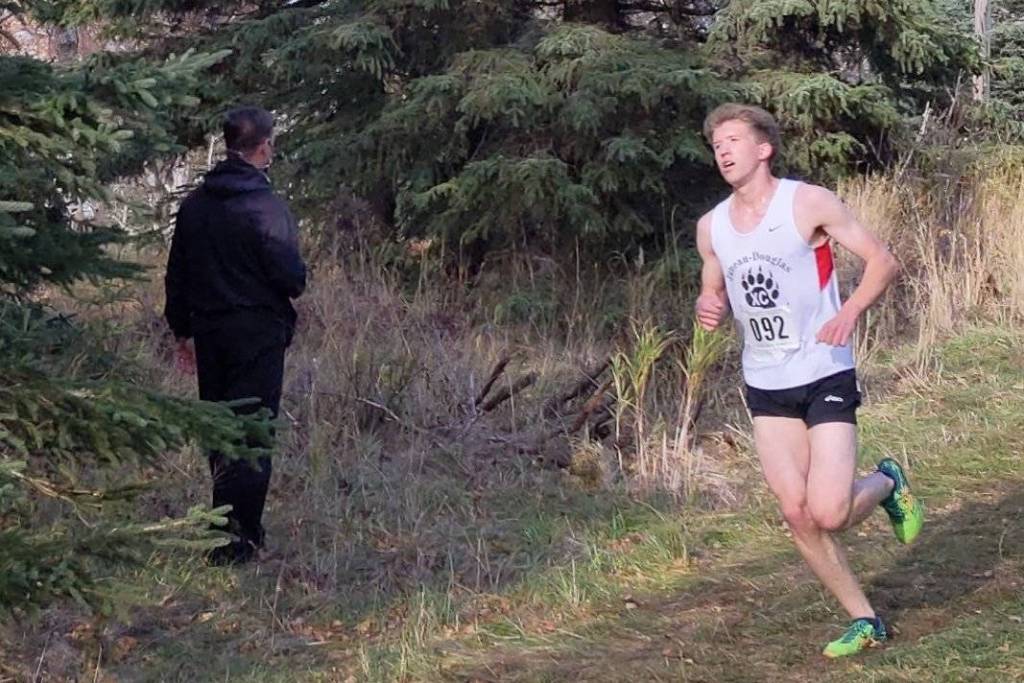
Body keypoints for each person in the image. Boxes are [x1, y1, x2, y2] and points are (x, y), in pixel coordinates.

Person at [694, 103, 924, 658]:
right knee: (795, 512)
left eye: (732, 140)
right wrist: (709, 304)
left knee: (829, 512)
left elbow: (882, 261)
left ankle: (888, 482)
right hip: (765, 380)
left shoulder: (807, 202)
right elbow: (713, 289)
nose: (722, 151)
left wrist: (849, 313)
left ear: (763, 148)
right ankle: (865, 619)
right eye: (716, 144)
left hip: (824, 370)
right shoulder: (712, 226)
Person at [165, 106, 306, 565]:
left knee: (220, 430)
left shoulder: (196, 205)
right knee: (252, 433)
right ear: (263, 147)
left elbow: (177, 274)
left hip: (210, 333)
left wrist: (181, 332)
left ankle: (228, 528)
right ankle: (240, 540)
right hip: (258, 334)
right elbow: (292, 278)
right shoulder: (266, 207)